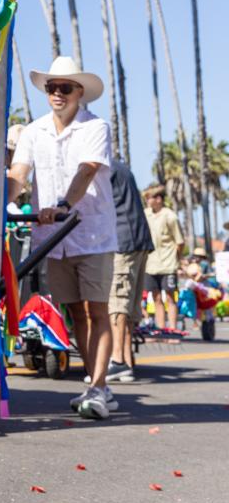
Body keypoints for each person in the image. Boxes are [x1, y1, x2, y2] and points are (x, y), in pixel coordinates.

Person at [7, 56, 117, 420]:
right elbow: (19, 174)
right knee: (74, 312)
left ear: (79, 93)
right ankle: (95, 383)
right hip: (52, 236)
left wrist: (64, 204)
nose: (57, 93)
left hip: (91, 232)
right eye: (52, 87)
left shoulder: (95, 127)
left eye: (64, 87)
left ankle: (99, 387)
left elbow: (87, 170)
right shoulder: (34, 131)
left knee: (97, 309)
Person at [107, 160, 153, 382]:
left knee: (117, 303)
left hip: (123, 241)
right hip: (138, 240)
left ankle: (116, 361)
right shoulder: (121, 167)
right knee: (129, 306)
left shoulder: (104, 168)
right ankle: (125, 362)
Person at [142, 184, 183, 334]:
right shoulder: (145, 214)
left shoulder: (170, 216)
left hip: (168, 264)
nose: (147, 201)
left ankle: (172, 330)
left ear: (158, 199)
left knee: (171, 298)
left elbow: (180, 242)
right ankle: (160, 330)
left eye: (149, 198)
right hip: (150, 264)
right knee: (156, 298)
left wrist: (177, 260)